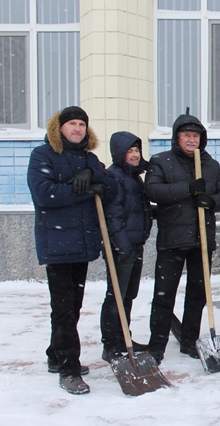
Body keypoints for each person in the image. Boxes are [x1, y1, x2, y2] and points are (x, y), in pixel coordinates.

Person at [27, 105, 117, 395]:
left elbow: (111, 187)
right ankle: (68, 368)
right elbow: (44, 194)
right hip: (57, 243)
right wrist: (83, 190)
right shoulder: (42, 156)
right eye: (72, 124)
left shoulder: (89, 158)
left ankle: (56, 355)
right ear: (59, 128)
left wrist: (93, 173)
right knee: (65, 308)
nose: (77, 129)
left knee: (71, 306)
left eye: (82, 124)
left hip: (81, 242)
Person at [145, 113, 220, 364]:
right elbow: (152, 190)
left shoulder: (210, 164)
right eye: (186, 135)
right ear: (177, 138)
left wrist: (211, 200)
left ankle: (188, 340)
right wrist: (187, 189)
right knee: (164, 294)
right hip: (172, 238)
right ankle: (156, 345)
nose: (191, 140)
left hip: (202, 240)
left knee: (197, 294)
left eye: (196, 136)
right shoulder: (162, 161)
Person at [99, 131, 153, 362]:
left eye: (137, 150)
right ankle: (110, 344)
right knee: (116, 297)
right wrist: (122, 247)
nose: (134, 155)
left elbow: (137, 210)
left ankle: (124, 337)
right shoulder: (114, 177)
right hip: (122, 248)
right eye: (130, 151)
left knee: (128, 295)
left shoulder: (133, 177)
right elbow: (113, 216)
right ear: (119, 153)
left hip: (135, 245)